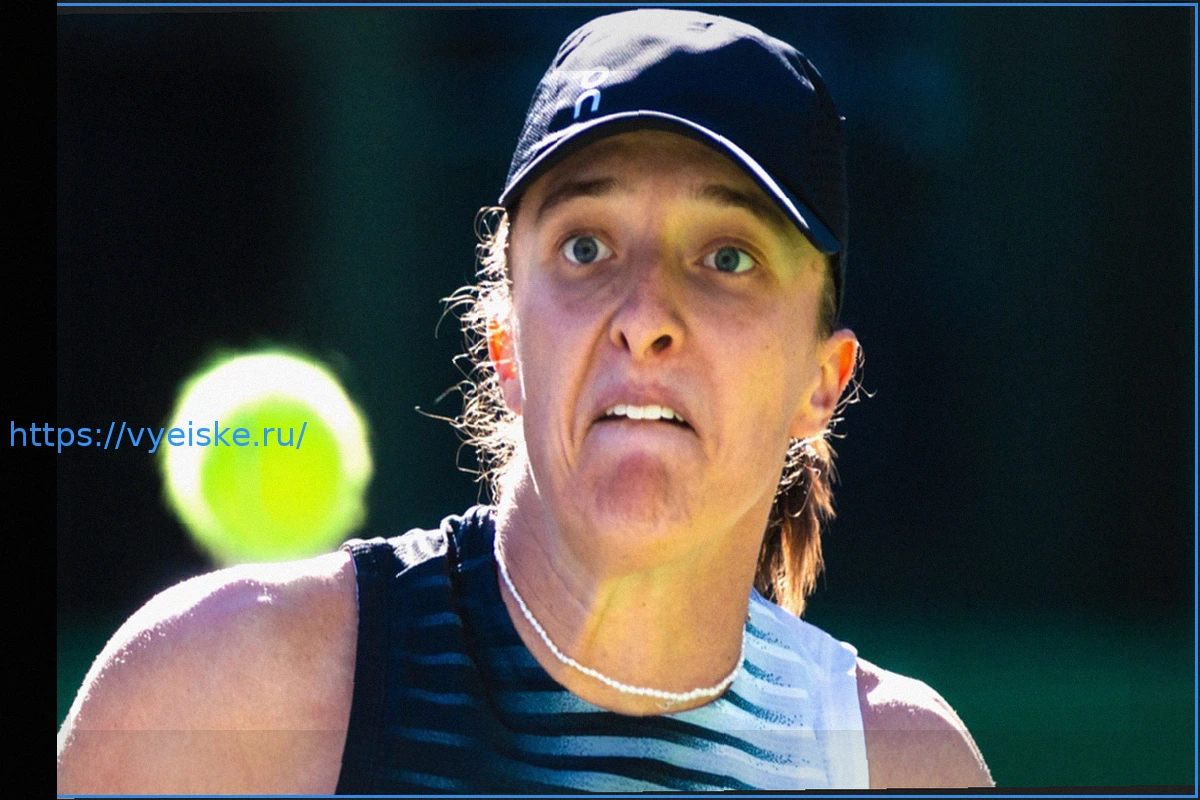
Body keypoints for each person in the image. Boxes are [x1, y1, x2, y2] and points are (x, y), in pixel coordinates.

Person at [57, 9, 993, 793]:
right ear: (505, 347)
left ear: (820, 384)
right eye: (587, 247)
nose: (646, 318)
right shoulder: (213, 695)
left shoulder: (905, 770)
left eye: (726, 257)